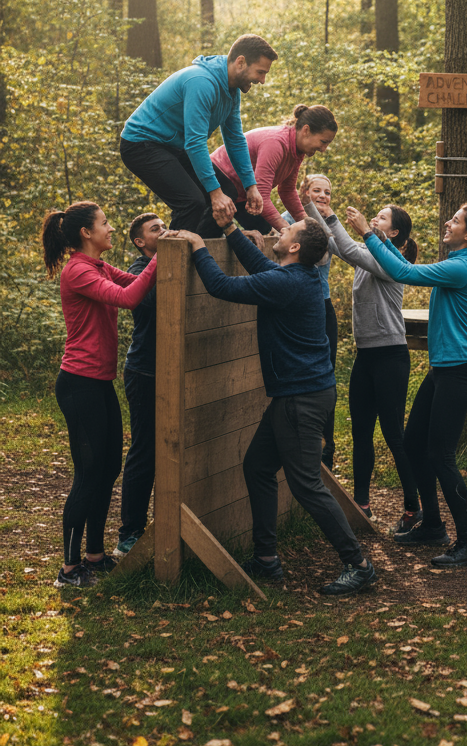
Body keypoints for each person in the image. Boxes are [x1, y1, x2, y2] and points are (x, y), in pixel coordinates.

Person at [169, 215, 377, 597]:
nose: (281, 229)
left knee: (306, 486)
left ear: (295, 247)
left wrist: (199, 246)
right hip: (300, 394)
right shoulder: (298, 276)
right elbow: (262, 266)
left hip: (301, 398)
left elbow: (220, 286)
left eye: (288, 230)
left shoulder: (287, 282)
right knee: (258, 466)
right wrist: (230, 229)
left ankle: (358, 565)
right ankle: (266, 558)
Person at [345, 202, 467, 569]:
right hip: (443, 371)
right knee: (414, 444)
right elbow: (400, 265)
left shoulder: (463, 267)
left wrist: (369, 234)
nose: (448, 223)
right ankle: (432, 525)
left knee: (440, 456)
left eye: (456, 221)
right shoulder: (459, 262)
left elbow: (404, 271)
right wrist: (381, 240)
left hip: (460, 372)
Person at [41, 202, 159, 587]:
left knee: (108, 468)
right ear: (86, 233)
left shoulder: (98, 266)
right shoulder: (78, 270)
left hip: (100, 382)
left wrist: (162, 258)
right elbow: (128, 298)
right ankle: (69, 569)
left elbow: (134, 281)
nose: (111, 229)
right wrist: (161, 257)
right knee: (89, 473)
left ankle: (94, 554)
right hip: (79, 384)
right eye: (105, 223)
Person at [305, 195, 422, 533]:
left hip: (391, 357)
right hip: (365, 356)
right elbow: (335, 244)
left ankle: (414, 507)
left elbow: (350, 248)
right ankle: (361, 505)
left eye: (382, 218)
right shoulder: (368, 254)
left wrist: (334, 217)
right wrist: (311, 206)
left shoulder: (393, 261)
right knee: (360, 432)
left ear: (394, 232)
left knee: (393, 434)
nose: (374, 219)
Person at [119, 33, 277, 234]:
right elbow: (195, 142)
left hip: (173, 146)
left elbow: (235, 139)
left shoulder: (231, 90)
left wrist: (250, 186)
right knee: (192, 202)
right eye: (260, 72)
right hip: (141, 144)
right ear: (240, 62)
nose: (262, 80)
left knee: (228, 192)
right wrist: (214, 192)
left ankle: (202, 249)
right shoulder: (201, 82)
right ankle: (174, 253)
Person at [114, 211, 165, 558]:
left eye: (164, 225)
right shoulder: (137, 269)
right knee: (145, 451)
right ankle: (129, 534)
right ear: (140, 241)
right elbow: (149, 301)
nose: (164, 231)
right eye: (155, 229)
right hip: (145, 372)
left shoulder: (174, 262)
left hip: (174, 370)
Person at [209, 104, 338, 235]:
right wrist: (288, 229)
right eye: (323, 142)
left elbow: (287, 191)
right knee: (211, 233)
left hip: (244, 193)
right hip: (220, 178)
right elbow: (262, 193)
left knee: (266, 231)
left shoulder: (297, 151)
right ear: (306, 130)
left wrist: (307, 223)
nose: (323, 149)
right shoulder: (276, 143)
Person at [284, 175, 339, 468]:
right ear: (303, 192)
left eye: (327, 192)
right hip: (292, 305)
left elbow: (321, 258)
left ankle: (326, 448)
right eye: (317, 190)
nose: (323, 196)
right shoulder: (285, 221)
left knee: (324, 376)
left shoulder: (329, 225)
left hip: (321, 306)